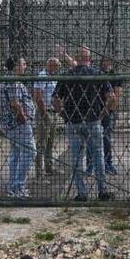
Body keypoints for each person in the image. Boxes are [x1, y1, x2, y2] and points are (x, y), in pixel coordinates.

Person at [54, 47, 115, 201]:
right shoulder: (98, 74)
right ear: (90, 58)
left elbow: (55, 99)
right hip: (93, 119)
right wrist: (103, 113)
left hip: (73, 120)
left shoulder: (67, 75)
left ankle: (82, 193)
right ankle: (102, 191)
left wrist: (62, 113)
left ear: (77, 58)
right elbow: (112, 97)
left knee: (76, 158)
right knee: (98, 155)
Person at [0, 57, 36, 200]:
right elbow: (15, 103)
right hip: (18, 125)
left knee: (16, 154)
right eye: (23, 64)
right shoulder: (13, 81)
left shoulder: (6, 80)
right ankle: (18, 186)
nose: (25, 66)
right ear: (15, 66)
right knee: (30, 152)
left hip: (11, 125)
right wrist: (23, 117)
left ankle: (13, 187)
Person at [33, 57, 60, 177]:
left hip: (53, 112)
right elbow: (38, 97)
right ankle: (39, 173)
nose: (58, 68)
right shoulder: (42, 76)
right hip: (45, 112)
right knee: (42, 143)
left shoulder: (53, 77)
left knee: (50, 142)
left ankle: (49, 168)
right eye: (56, 66)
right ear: (51, 65)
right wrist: (44, 114)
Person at [96, 57, 124, 175]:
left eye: (108, 62)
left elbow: (117, 93)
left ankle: (108, 162)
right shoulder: (96, 73)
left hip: (107, 110)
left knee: (106, 136)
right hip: (95, 109)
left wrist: (109, 109)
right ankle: (92, 164)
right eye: (104, 62)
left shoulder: (115, 75)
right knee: (93, 137)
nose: (106, 64)